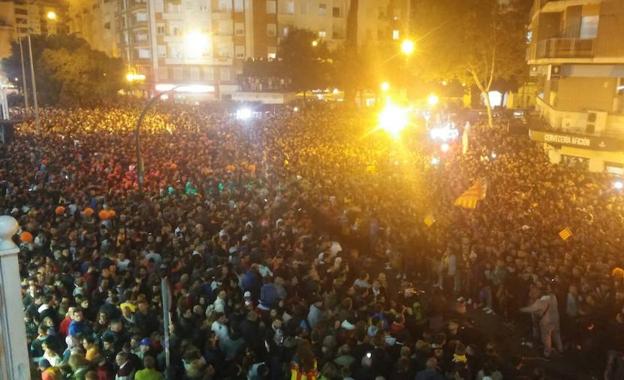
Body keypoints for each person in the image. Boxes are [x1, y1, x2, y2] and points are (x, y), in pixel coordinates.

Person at [520, 284, 563, 358]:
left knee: (546, 338)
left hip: (547, 322)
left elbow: (532, 309)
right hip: (556, 320)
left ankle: (547, 354)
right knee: (557, 335)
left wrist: (520, 309)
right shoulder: (553, 296)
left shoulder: (543, 300)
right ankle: (560, 349)